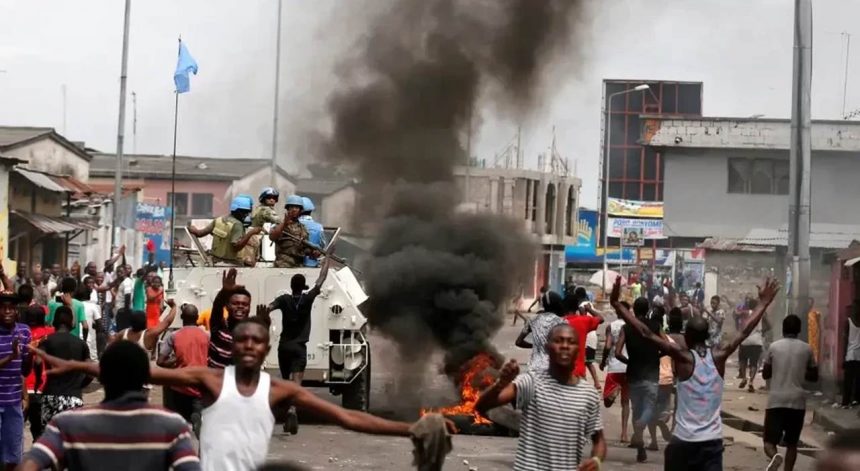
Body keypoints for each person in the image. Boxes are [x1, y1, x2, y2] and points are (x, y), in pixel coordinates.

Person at [34, 319, 454, 471]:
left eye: (257, 341)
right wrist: (77, 366)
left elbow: (347, 418)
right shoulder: (213, 380)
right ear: (233, 347)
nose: (250, 345)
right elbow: (142, 369)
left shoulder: (280, 390)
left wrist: (409, 429)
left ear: (266, 348)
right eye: (243, 340)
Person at [611, 275, 779, 471]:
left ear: (687, 337)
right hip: (712, 442)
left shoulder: (683, 358)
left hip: (683, 441)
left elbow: (645, 333)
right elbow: (743, 332)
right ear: (707, 336)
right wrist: (763, 303)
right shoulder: (719, 357)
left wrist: (618, 305)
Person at [19, 340, 201, 471]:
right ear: (146, 379)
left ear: (102, 378)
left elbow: (30, 463)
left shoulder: (66, 423)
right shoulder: (172, 425)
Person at [476, 323, 606, 470]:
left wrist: (596, 460)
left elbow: (599, 440)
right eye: (558, 341)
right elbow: (482, 407)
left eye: (571, 342)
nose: (565, 346)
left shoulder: (588, 395)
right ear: (547, 348)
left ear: (579, 350)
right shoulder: (531, 382)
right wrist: (501, 384)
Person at [266, 259, 330, 434]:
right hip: (299, 348)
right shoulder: (308, 298)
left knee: (286, 381)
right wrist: (327, 259)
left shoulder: (284, 299)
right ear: (303, 287)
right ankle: (292, 410)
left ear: (291, 286)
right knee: (296, 384)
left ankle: (286, 412)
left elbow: (269, 308)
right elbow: (321, 278)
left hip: (284, 347)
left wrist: (263, 317)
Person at [762, 314, 818, 471]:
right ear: (799, 330)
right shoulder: (807, 349)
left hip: (776, 400)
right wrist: (799, 372)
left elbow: (766, 374)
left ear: (783, 329)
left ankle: (774, 456)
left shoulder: (774, 347)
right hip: (797, 402)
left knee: (768, 442)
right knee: (792, 444)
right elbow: (814, 376)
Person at [613, 296, 661, 463]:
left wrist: (629, 361)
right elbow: (666, 344)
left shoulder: (626, 328)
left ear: (634, 310)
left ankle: (641, 449)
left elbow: (617, 352)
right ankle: (642, 424)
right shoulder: (655, 326)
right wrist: (660, 355)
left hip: (633, 375)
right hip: (652, 374)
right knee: (650, 405)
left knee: (636, 409)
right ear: (647, 310)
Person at [157, 303, 209, 437]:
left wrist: (174, 361)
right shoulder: (206, 336)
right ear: (197, 317)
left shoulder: (174, 336)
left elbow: (160, 361)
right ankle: (197, 417)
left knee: (178, 420)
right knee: (197, 411)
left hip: (180, 384)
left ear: (181, 317)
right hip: (199, 383)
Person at [39, 306, 91, 430]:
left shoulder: (47, 341)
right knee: (72, 440)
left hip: (51, 395)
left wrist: (37, 381)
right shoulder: (81, 344)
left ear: (54, 321)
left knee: (50, 439)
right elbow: (90, 373)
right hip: (73, 397)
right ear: (71, 322)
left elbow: (37, 361)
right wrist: (79, 385)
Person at [0, 291, 31, 470]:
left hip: (13, 403)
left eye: (11, 308)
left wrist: (31, 356)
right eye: (3, 308)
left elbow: (24, 371)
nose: (7, 311)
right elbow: (13, 359)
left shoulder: (24, 331)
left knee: (13, 455)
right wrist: (12, 356)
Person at [188, 195, 261, 266]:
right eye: (245, 212)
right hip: (232, 264)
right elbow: (236, 247)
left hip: (215, 262)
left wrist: (192, 229)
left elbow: (199, 233)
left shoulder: (218, 220)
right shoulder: (237, 225)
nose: (246, 215)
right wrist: (251, 233)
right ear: (238, 211)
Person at [599, 301, 630, 443]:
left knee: (606, 401)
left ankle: (615, 390)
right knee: (625, 403)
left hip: (614, 367)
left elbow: (607, 346)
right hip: (627, 366)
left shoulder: (611, 327)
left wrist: (603, 361)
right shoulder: (631, 327)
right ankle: (624, 434)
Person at [514, 291, 565, 373]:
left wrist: (536, 345)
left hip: (534, 369)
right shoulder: (562, 322)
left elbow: (518, 342)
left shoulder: (533, 320)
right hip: (553, 369)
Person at [22, 305, 53, 439]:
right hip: (40, 387)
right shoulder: (51, 332)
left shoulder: (21, 333)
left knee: (16, 429)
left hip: (22, 388)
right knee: (39, 431)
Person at [564, 287, 604, 390]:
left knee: (587, 361)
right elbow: (599, 318)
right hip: (591, 333)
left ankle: (592, 382)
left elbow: (584, 318)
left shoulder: (579, 309)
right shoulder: (589, 304)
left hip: (587, 334)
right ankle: (594, 383)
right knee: (588, 361)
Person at [113, 302, 177, 358]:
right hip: (142, 371)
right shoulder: (148, 335)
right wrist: (174, 306)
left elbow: (111, 350)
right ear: (145, 323)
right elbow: (167, 322)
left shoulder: (122, 333)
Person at [269, 195, 311, 269]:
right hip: (282, 265)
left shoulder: (303, 228)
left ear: (300, 210)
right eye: (291, 207)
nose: (294, 210)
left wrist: (313, 252)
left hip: (298, 265)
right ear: (287, 209)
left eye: (297, 207)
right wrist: (284, 224)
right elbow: (272, 237)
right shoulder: (280, 225)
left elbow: (306, 249)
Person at [244, 187, 282, 266]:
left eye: (274, 198)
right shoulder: (266, 210)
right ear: (263, 198)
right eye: (269, 197)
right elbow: (278, 221)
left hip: (251, 235)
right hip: (256, 237)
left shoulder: (259, 208)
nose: (272, 199)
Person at [738, 298, 768, 392]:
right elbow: (769, 325)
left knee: (743, 360)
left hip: (745, 340)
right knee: (754, 363)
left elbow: (736, 316)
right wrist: (762, 332)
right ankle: (751, 382)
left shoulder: (744, 313)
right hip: (756, 340)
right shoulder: (761, 314)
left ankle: (744, 378)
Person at [73, 285, 100, 362]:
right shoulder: (93, 306)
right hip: (89, 339)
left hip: (75, 338)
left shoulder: (73, 305)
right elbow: (99, 324)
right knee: (92, 360)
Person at [299, 197, 326, 268]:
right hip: (312, 263)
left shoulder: (290, 225)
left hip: (294, 262)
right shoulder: (319, 227)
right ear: (311, 211)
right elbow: (323, 244)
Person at [842, 307, 860, 408]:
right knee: (858, 380)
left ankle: (846, 401)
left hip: (850, 355)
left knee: (848, 380)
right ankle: (856, 399)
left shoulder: (848, 322)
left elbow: (845, 341)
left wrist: (843, 356)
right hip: (859, 356)